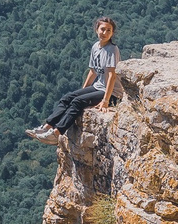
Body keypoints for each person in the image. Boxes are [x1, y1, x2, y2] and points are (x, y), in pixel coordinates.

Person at [30, 17, 121, 148]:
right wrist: (82, 91)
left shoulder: (112, 49)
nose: (105, 33)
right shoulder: (96, 47)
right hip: (98, 86)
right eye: (102, 29)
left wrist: (106, 101)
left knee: (77, 102)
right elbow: (93, 71)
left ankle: (56, 134)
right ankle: (46, 127)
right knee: (68, 98)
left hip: (112, 92)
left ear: (112, 33)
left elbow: (112, 76)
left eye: (109, 30)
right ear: (96, 30)